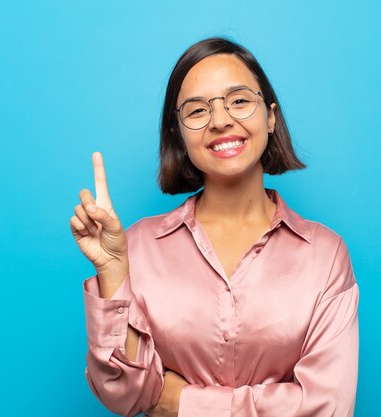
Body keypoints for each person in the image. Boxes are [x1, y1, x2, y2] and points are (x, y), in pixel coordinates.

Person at [70, 37, 359, 417]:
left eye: (239, 101)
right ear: (178, 133)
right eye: (196, 110)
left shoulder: (324, 254)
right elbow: (125, 393)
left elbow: (328, 407)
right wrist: (112, 273)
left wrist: (182, 402)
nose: (221, 120)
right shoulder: (137, 246)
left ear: (270, 116)